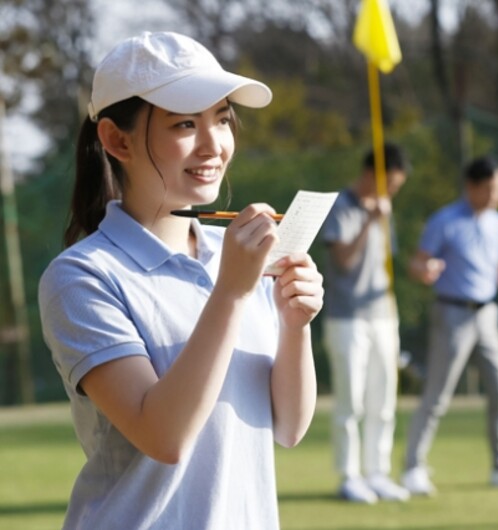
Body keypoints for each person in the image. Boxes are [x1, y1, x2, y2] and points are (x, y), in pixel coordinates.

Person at [38, 31, 323, 529]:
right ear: (116, 139)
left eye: (222, 119)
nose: (214, 144)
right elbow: (163, 436)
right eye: (186, 123)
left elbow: (288, 427)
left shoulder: (233, 255)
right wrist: (232, 292)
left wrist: (296, 324)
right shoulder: (81, 277)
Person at [401, 156, 498, 496]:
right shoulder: (445, 221)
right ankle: (413, 468)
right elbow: (418, 264)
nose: (496, 195)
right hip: (452, 313)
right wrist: (425, 272)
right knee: (437, 396)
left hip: (487, 314)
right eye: (490, 188)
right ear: (471, 186)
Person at [321, 143, 410, 503]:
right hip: (347, 319)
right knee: (351, 401)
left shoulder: (385, 210)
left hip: (384, 317)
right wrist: (370, 221)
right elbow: (342, 259)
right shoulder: (341, 207)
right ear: (372, 173)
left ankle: (378, 472)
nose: (391, 192)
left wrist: (380, 216)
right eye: (389, 183)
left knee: (383, 400)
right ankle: (349, 475)